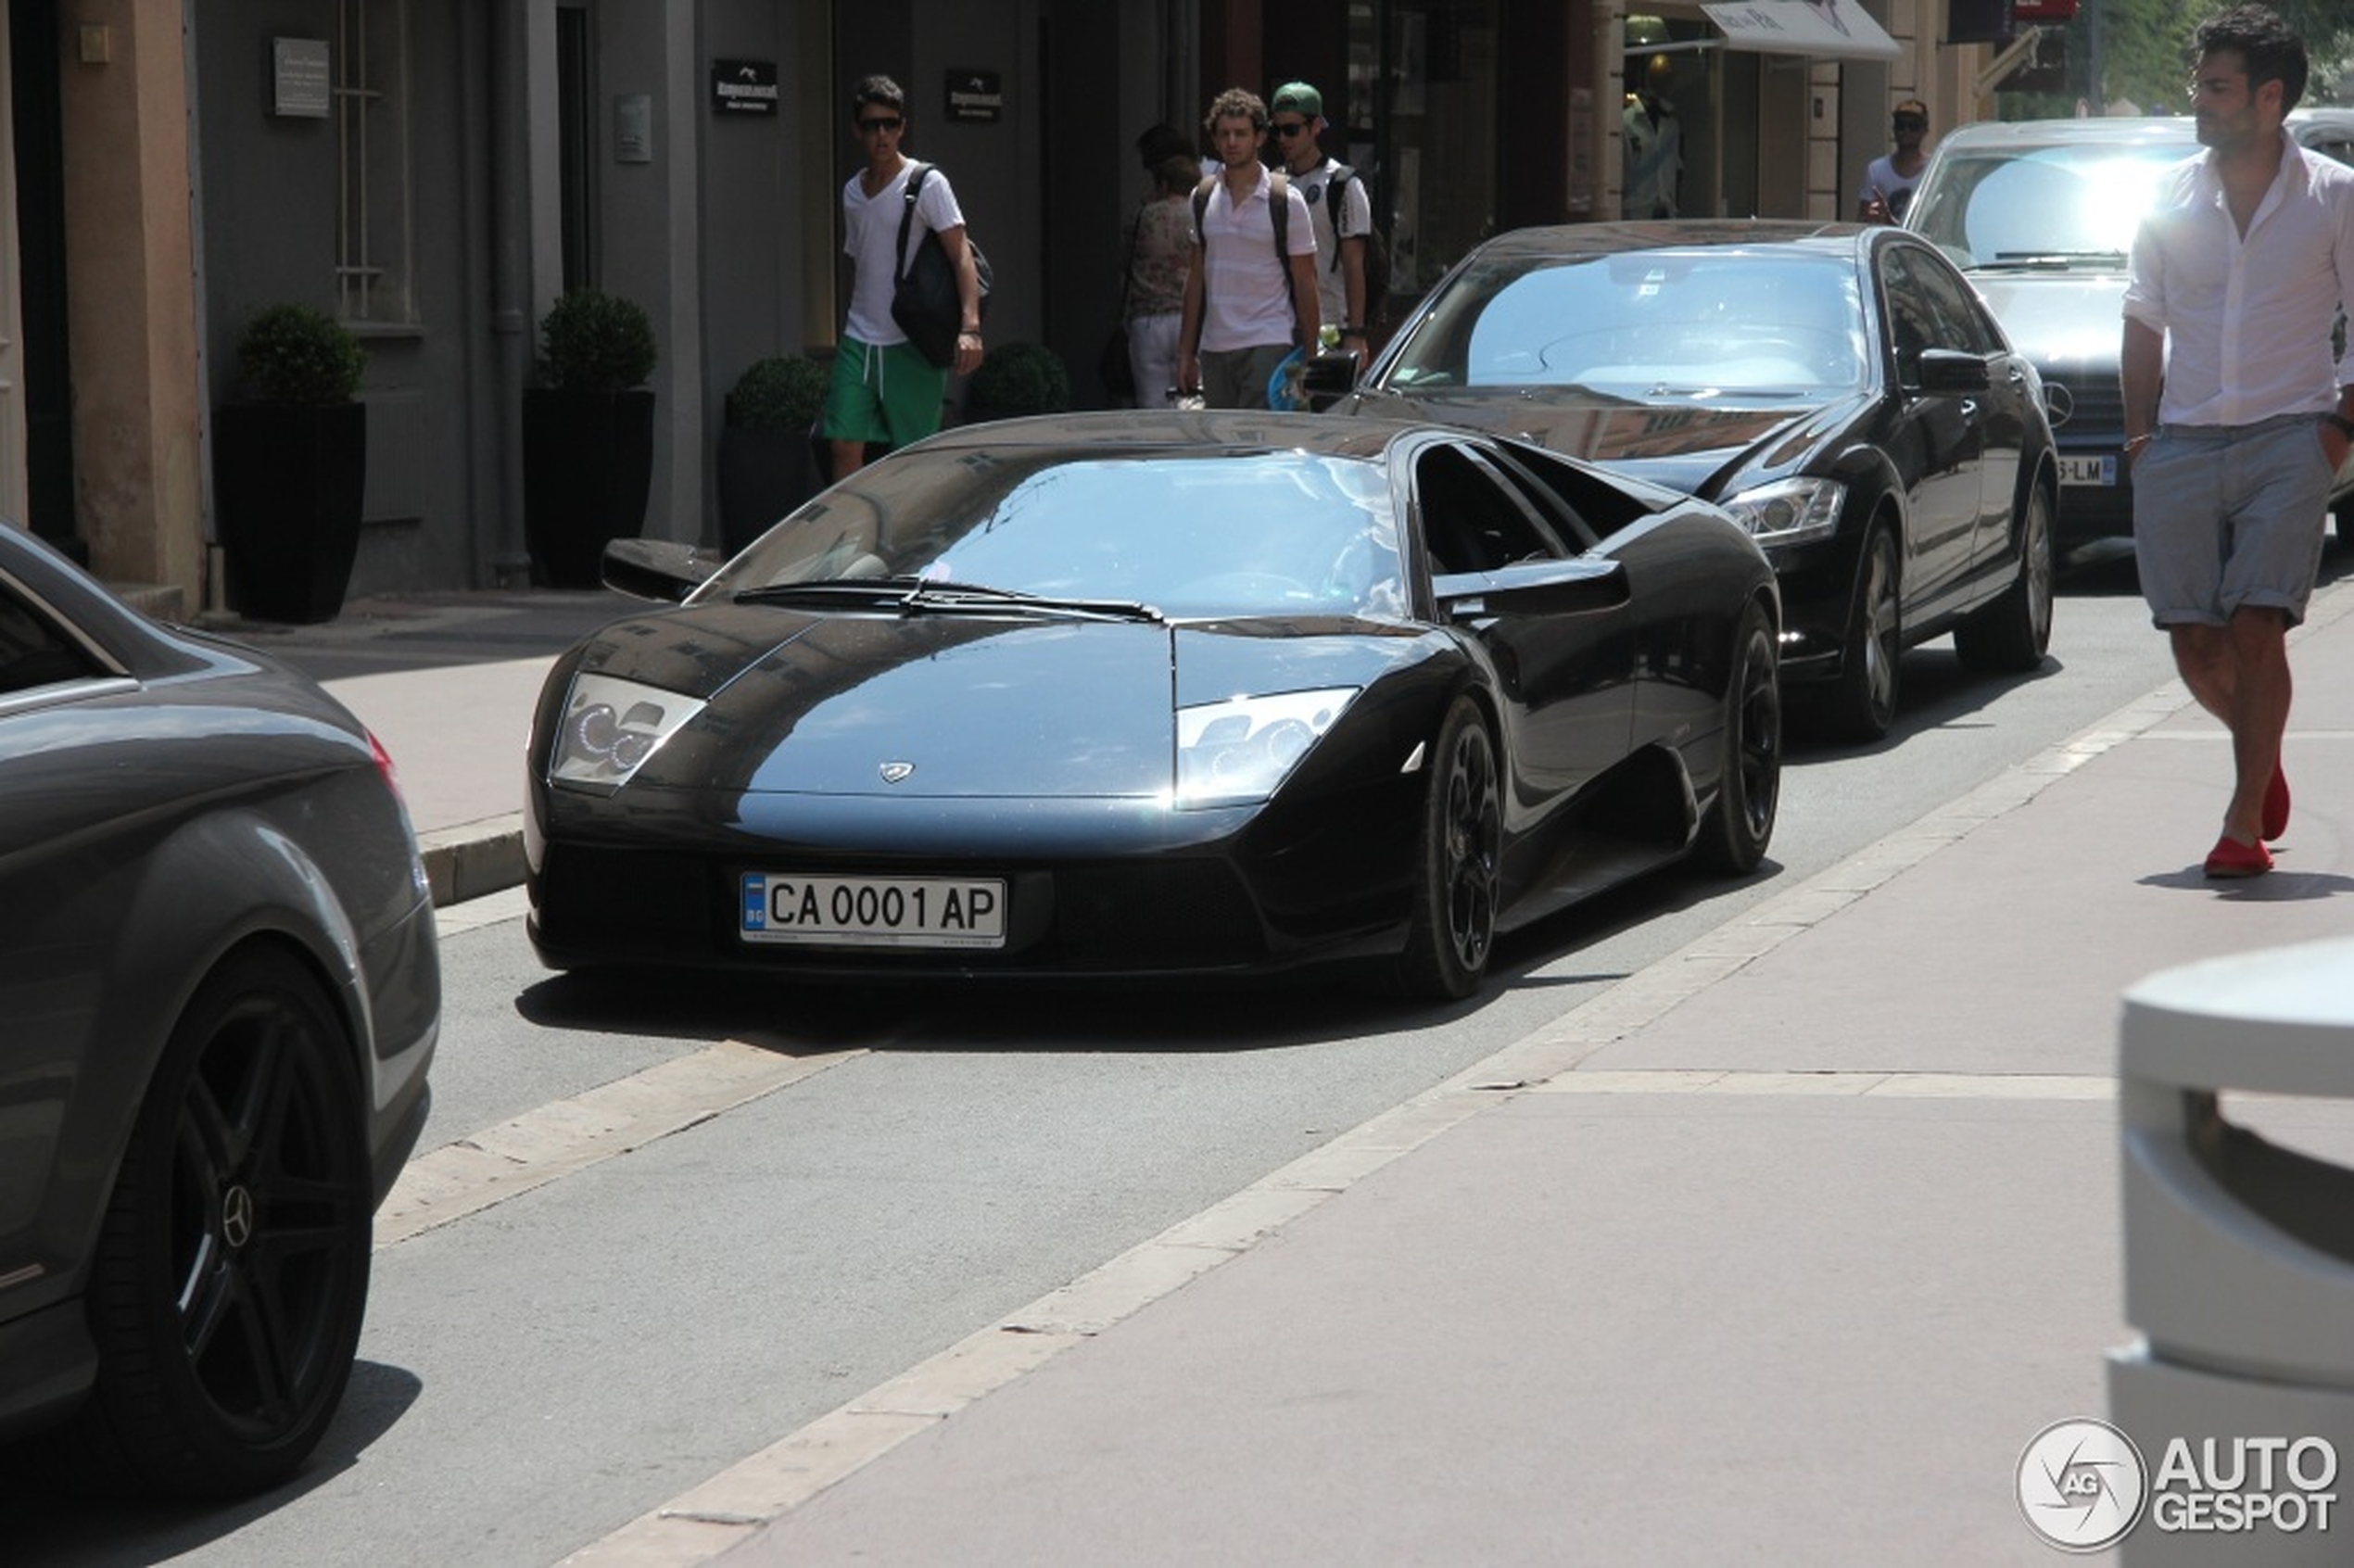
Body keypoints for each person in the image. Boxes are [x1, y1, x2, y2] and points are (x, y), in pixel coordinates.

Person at [2119, 4, 2354, 878]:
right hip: (2181, 440)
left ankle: (2242, 820)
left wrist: (2335, 433)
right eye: (2199, 85)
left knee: (2259, 624)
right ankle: (2263, 754)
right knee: (2193, 637)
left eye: (2215, 88)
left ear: (2269, 99)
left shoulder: (2334, 196)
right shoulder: (2169, 196)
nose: (2198, 101)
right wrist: (2142, 438)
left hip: (2293, 435)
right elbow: (2143, 319)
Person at [822, 74, 985, 479]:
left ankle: (917, 541)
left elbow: (961, 255)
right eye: (873, 124)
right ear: (857, 129)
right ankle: (852, 539)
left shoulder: (928, 184)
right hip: (859, 339)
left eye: (891, 124)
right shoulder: (852, 193)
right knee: (842, 443)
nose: (883, 134)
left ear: (902, 127)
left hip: (911, 341)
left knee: (914, 460)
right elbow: (859, 264)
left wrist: (971, 327)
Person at [1177, 87, 1320, 409]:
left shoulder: (1286, 201)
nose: (1231, 142)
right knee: (1223, 452)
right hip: (1214, 346)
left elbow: (1305, 282)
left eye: (1241, 133)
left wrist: (1311, 359)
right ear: (1214, 139)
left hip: (1269, 342)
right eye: (1224, 134)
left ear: (1259, 137)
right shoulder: (1202, 197)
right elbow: (1196, 277)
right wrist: (1185, 352)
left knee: (1261, 450)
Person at [1268, 81, 1373, 364]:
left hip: (1332, 326)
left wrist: (1357, 333)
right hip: (1282, 326)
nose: (1282, 138)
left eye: (1291, 130)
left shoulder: (1343, 184)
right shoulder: (1273, 184)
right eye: (1275, 130)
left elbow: (1354, 264)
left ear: (1316, 127)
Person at [1123, 125, 1198, 409]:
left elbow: (1125, 260)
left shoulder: (1142, 215)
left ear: (1163, 183)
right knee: (1192, 401)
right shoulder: (1200, 214)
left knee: (1151, 402)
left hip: (1148, 318)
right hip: (1188, 318)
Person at [1622, 55, 1682, 220]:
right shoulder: (1626, 122)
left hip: (1666, 212)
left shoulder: (1671, 125)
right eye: (1663, 77)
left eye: (1668, 79)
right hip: (1636, 211)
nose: (1666, 84)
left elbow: (1673, 170)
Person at [1858, 100, 1931, 224]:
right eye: (1901, 125)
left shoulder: (1933, 171)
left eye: (1913, 126)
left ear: (1924, 131)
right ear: (1894, 129)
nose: (1906, 131)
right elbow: (1862, 219)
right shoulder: (1876, 170)